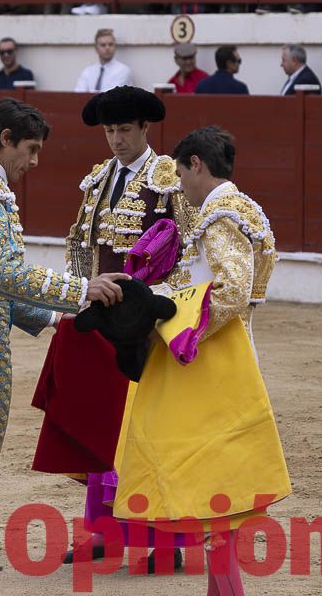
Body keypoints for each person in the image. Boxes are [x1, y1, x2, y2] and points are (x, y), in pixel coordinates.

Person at [0, 98, 127, 596]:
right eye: (31, 150)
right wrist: (83, 292)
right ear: (6, 138)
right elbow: (4, 274)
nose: (33, 163)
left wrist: (55, 317)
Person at [112, 125, 290, 596]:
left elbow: (228, 289)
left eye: (182, 176)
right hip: (229, 353)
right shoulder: (239, 208)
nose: (179, 189)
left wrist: (177, 326)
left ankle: (225, 591)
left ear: (197, 164)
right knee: (217, 482)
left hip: (212, 361)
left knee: (210, 480)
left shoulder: (220, 216)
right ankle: (219, 588)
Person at [31, 85, 188, 570]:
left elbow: (186, 252)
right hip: (102, 320)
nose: (116, 139)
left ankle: (166, 545)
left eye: (125, 130)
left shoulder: (168, 179)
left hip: (143, 323)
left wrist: (157, 312)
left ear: (145, 129)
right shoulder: (98, 178)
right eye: (110, 130)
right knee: (104, 424)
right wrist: (79, 301)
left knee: (149, 431)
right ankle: (103, 532)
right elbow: (82, 252)